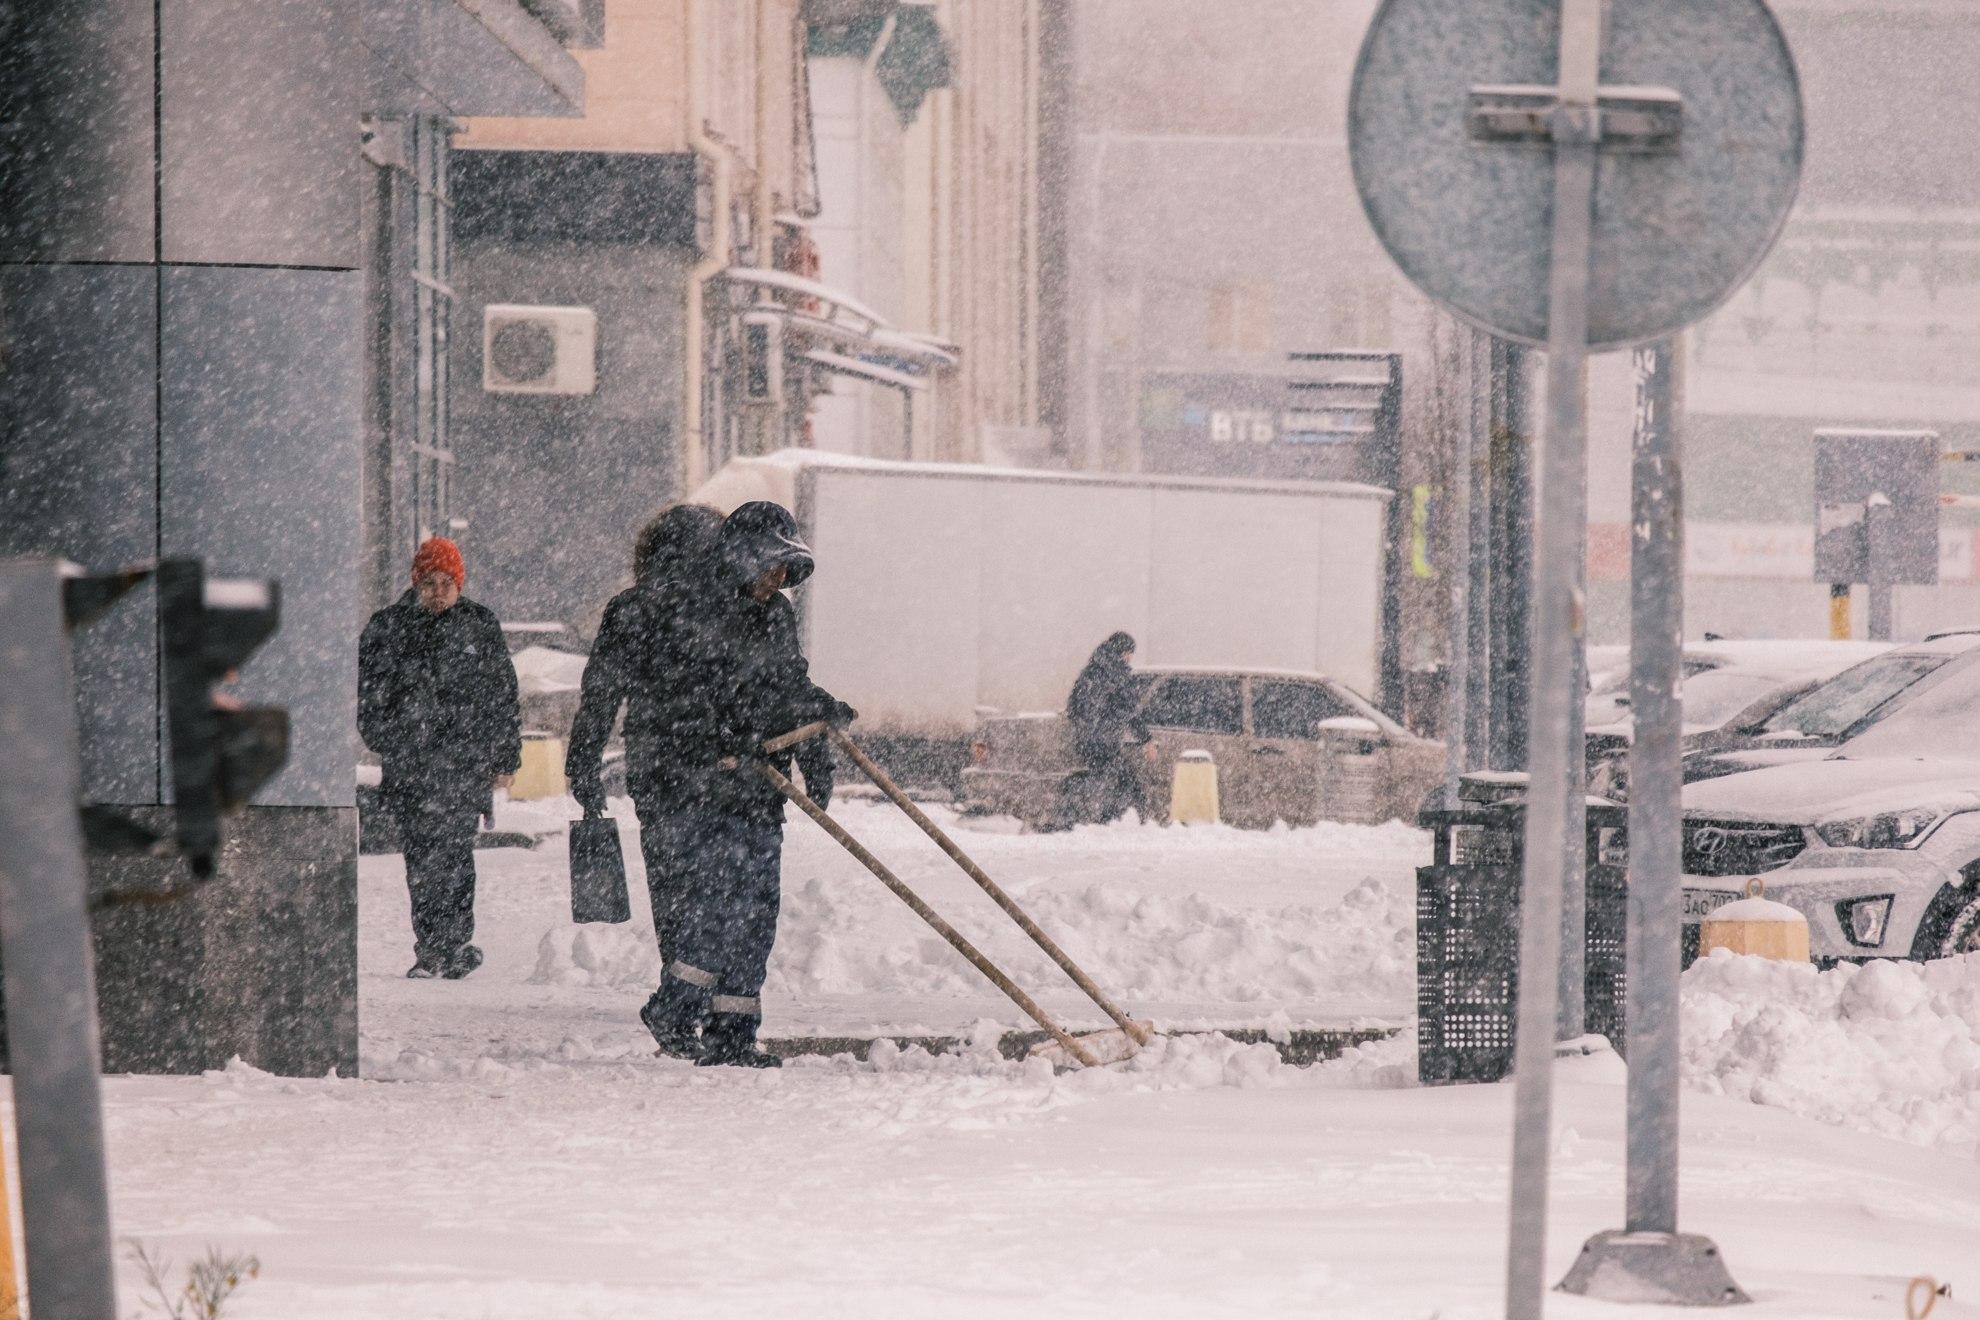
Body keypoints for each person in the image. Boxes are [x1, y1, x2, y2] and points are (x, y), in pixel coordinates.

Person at [637, 501, 849, 1068]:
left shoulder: (774, 616)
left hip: (758, 787)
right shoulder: (691, 611)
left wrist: (815, 733)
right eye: (771, 566)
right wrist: (728, 736)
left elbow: (786, 684)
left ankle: (733, 1030)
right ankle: (676, 1008)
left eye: (786, 569)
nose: (779, 580)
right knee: (716, 904)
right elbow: (678, 696)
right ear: (740, 559)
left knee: (756, 908)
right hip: (702, 785)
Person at [565, 503, 727, 969]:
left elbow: (599, 695)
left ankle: (680, 974)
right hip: (722, 763)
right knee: (718, 882)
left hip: (656, 765)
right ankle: (713, 980)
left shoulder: (630, 609)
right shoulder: (730, 607)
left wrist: (584, 763)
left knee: (671, 881)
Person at [359, 537, 522, 979]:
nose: (438, 590)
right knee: (422, 859)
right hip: (412, 770)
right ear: (415, 582)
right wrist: (398, 737)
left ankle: (452, 943)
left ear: (459, 583)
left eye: (446, 582)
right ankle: (433, 947)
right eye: (429, 582)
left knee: (455, 856)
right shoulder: (386, 628)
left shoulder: (479, 625)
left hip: (463, 768)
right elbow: (370, 705)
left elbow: (503, 698)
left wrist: (505, 758)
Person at [1065, 631, 1150, 823]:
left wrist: (1086, 729)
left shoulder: (1090, 671)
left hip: (1085, 741)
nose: (1130, 659)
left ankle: (1087, 818)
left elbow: (1072, 708)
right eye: (1130, 653)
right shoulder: (1117, 673)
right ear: (1122, 651)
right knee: (1126, 783)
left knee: (1103, 781)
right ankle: (1112, 821)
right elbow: (1129, 710)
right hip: (1105, 742)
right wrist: (1145, 738)